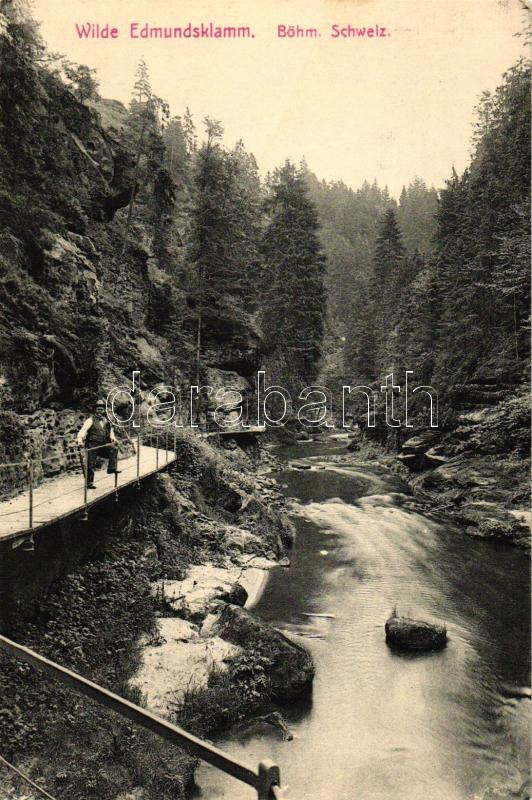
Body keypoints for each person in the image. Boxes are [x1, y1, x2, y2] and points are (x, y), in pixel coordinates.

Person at [77, 400, 120, 489]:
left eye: (101, 409)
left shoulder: (105, 420)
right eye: (98, 409)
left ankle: (111, 468)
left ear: (104, 410)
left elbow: (110, 431)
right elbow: (83, 430)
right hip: (92, 445)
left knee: (114, 449)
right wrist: (80, 440)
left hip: (102, 445)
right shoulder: (90, 420)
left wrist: (113, 439)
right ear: (95, 410)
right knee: (91, 464)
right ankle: (89, 483)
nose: (100, 411)